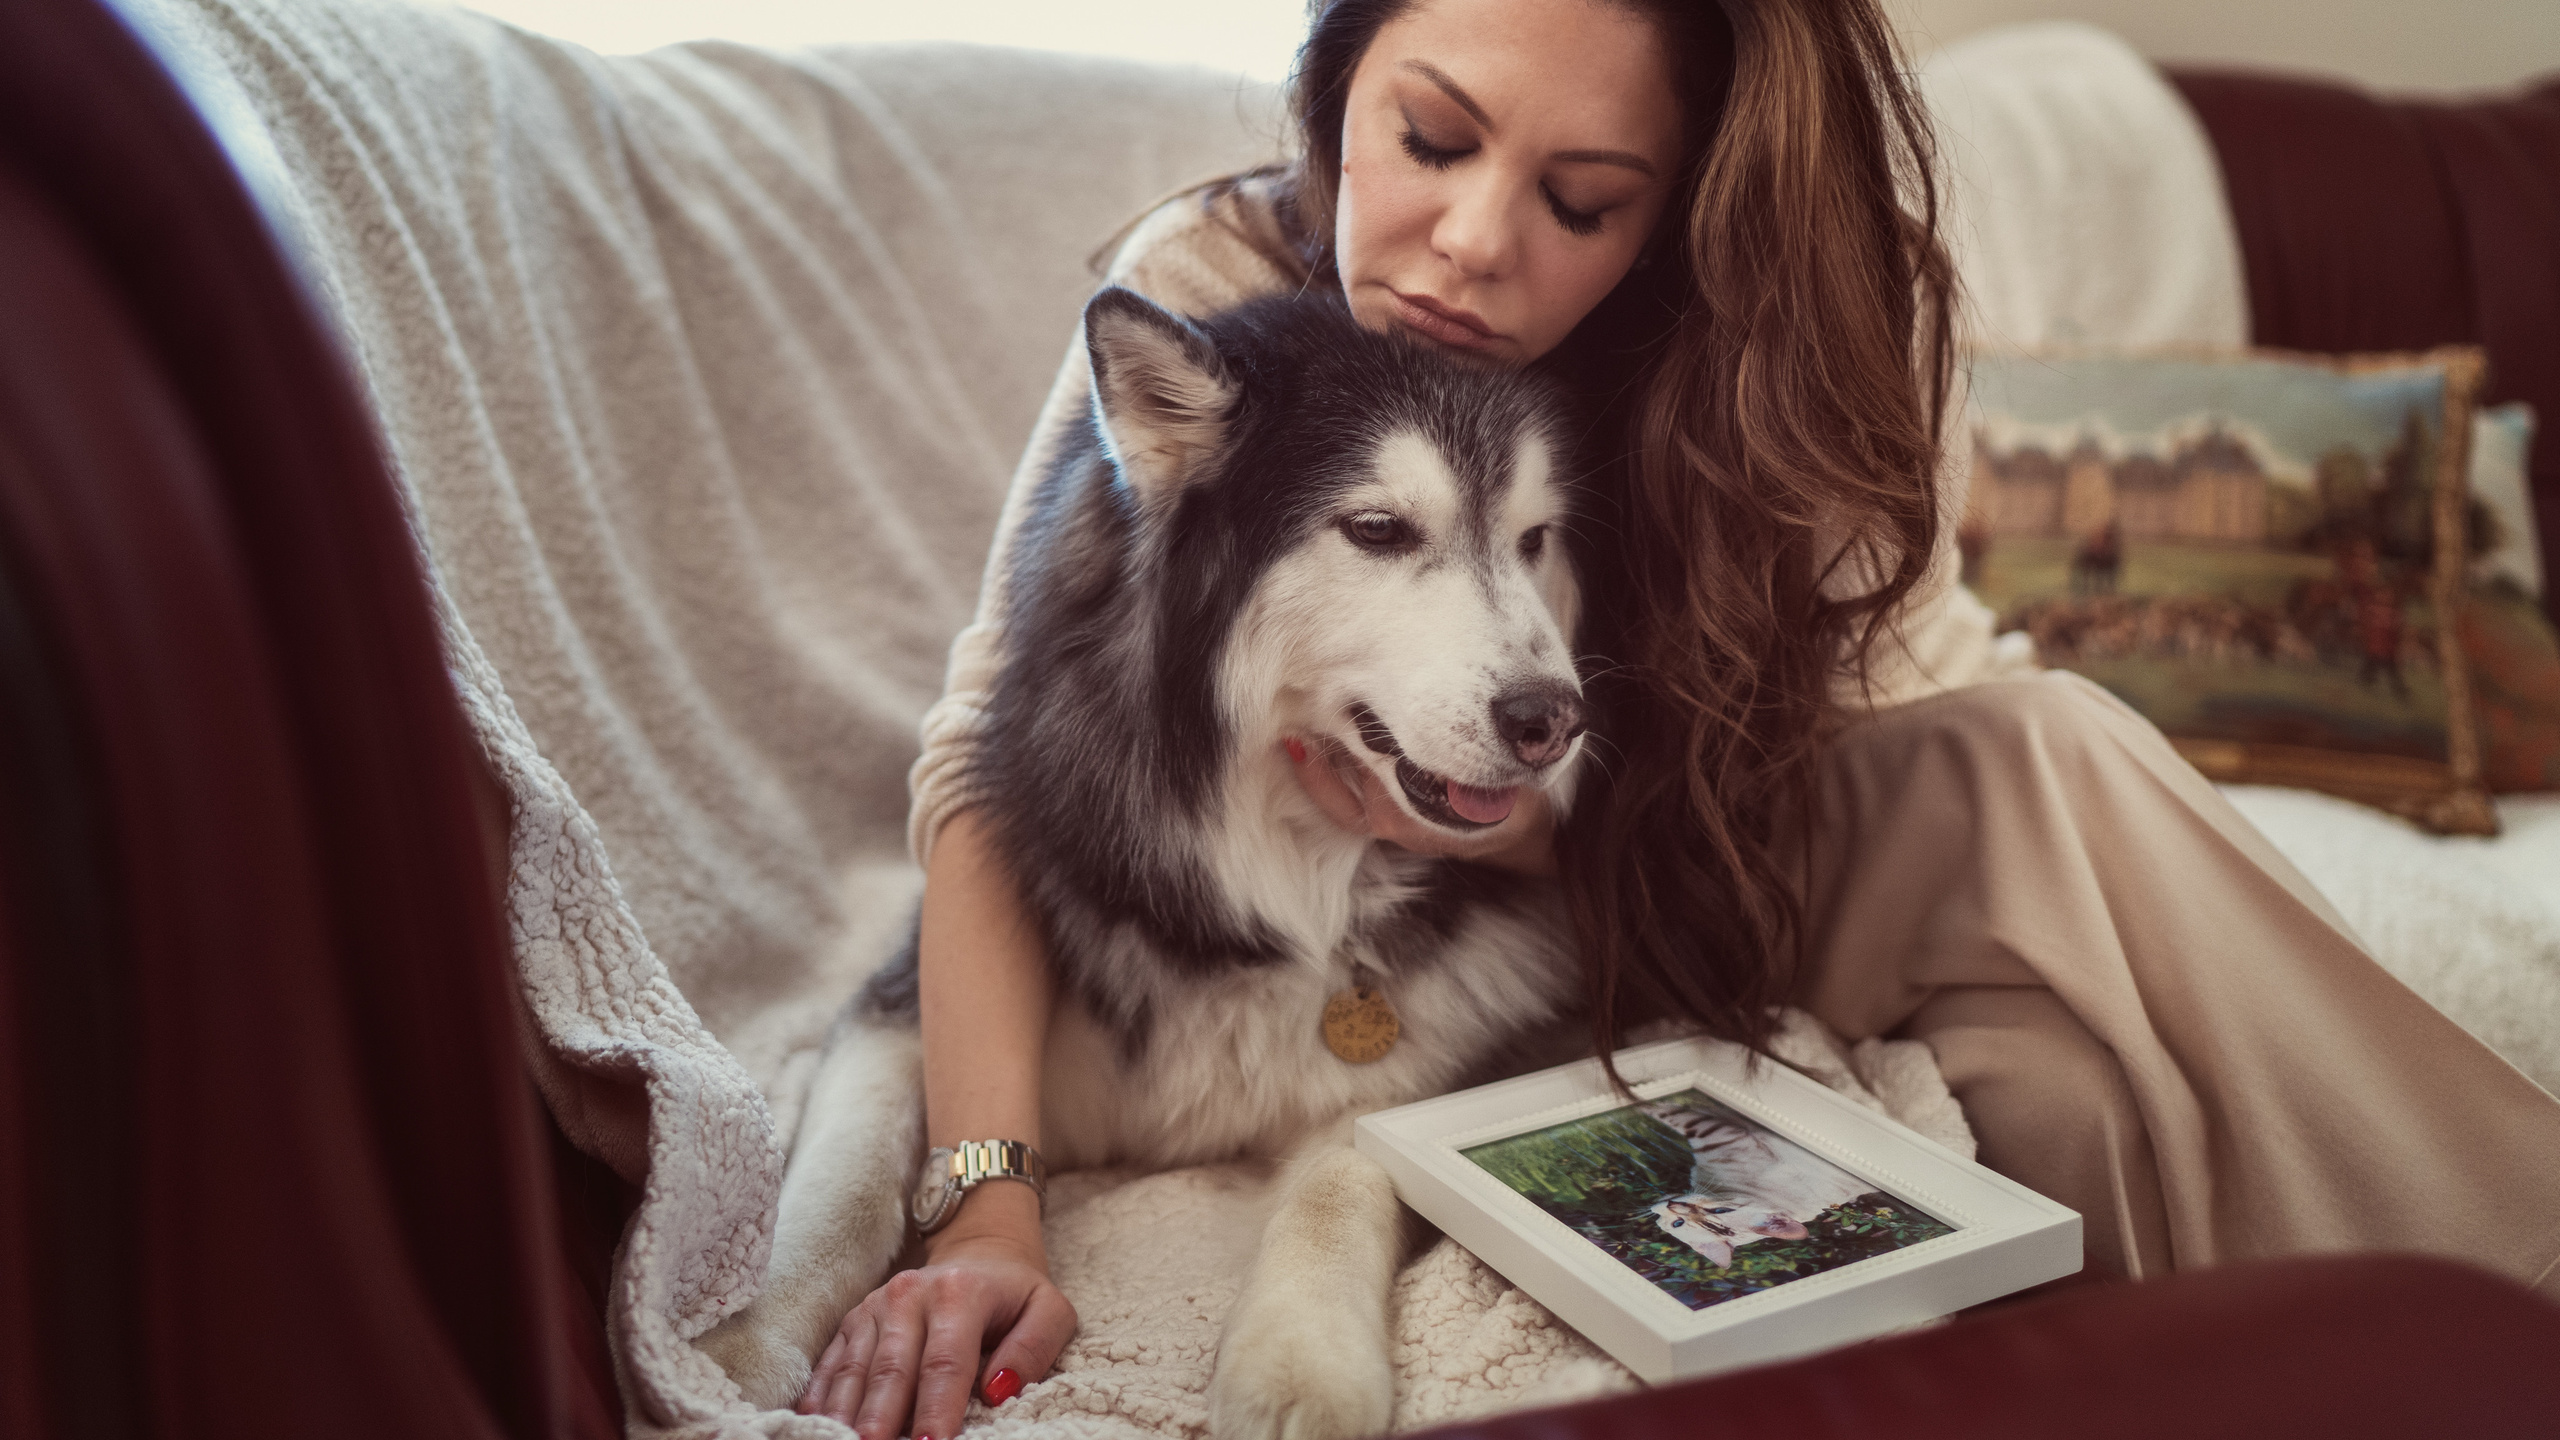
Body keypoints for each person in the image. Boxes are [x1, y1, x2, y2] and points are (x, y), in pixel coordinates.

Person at [793, 1, 2560, 1435]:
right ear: (1336, 88)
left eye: (1581, 200)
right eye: (1428, 139)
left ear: (1667, 215)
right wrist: (989, 1197)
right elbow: (981, 757)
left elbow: (1930, 663)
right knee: (2077, 1093)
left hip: (1739, 834)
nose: (1472, 245)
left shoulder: (1759, 346)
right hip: (1564, 931)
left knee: (2066, 758)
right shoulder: (1211, 284)